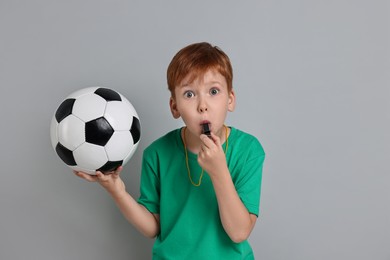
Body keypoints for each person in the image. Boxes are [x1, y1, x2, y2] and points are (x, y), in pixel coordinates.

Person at [75, 42, 265, 259]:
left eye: (213, 91)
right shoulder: (157, 154)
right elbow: (152, 227)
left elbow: (239, 232)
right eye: (189, 94)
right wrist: (116, 190)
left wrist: (219, 170)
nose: (203, 105)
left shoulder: (249, 150)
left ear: (230, 100)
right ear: (175, 107)